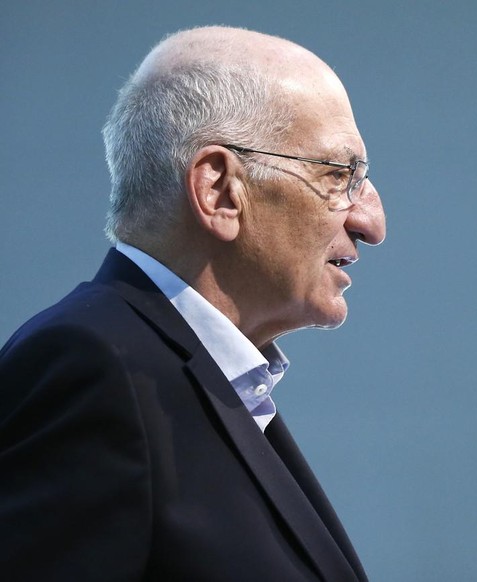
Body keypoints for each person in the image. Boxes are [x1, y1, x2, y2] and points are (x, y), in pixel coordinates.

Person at [0, 26, 386, 581]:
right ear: (220, 191)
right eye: (339, 176)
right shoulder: (96, 368)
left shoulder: (196, 380)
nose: (372, 222)